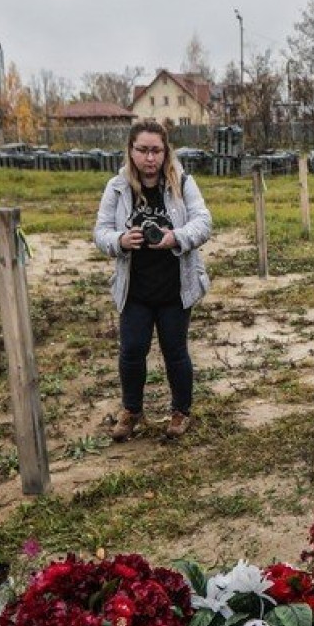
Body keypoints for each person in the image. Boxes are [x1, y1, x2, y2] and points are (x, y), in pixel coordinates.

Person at [93, 119, 214, 442]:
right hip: (135, 289)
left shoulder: (183, 183)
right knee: (132, 350)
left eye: (156, 150)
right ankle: (132, 410)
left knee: (175, 350)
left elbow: (203, 222)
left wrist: (175, 237)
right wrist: (119, 241)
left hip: (176, 286)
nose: (150, 158)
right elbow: (101, 230)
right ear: (131, 152)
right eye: (143, 150)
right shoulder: (117, 188)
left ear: (166, 152)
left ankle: (180, 411)